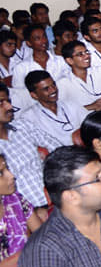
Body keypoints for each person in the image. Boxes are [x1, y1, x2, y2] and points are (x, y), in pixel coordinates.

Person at [0, 82, 60, 212]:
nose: (9, 106)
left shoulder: (22, 126)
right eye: (1, 103)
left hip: (57, 196)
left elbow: (57, 148)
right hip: (27, 211)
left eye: (8, 101)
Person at [21, 71, 89, 144]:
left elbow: (90, 125)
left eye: (53, 85)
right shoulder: (29, 118)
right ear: (34, 95)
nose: (53, 90)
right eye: (46, 89)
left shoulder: (71, 105)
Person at [0, 152, 43, 262]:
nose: (11, 175)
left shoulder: (15, 199)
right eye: (0, 173)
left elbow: (42, 235)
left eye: (7, 168)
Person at [57, 40, 101, 113]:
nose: (87, 56)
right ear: (70, 60)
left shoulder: (99, 71)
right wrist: (91, 107)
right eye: (80, 54)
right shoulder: (63, 83)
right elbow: (63, 111)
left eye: (87, 52)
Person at [11, 24, 68, 90]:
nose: (44, 41)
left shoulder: (61, 61)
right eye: (38, 38)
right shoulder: (21, 68)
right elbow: (19, 93)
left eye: (44, 36)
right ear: (29, 43)